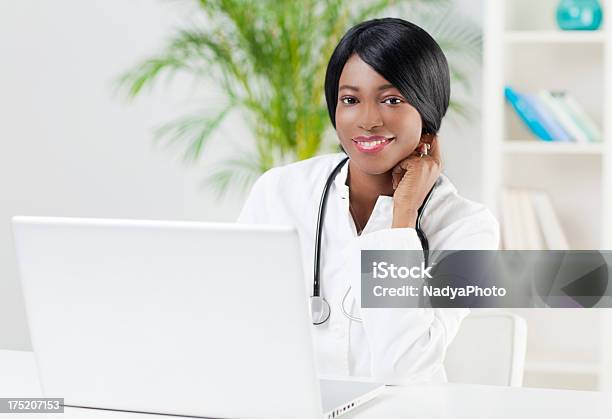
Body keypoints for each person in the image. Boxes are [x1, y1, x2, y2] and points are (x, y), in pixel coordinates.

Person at [237, 17, 499, 385]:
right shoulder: (280, 192)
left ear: (428, 111)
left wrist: (402, 218)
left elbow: (404, 369)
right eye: (350, 100)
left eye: (392, 99)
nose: (368, 120)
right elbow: (237, 329)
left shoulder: (468, 228)